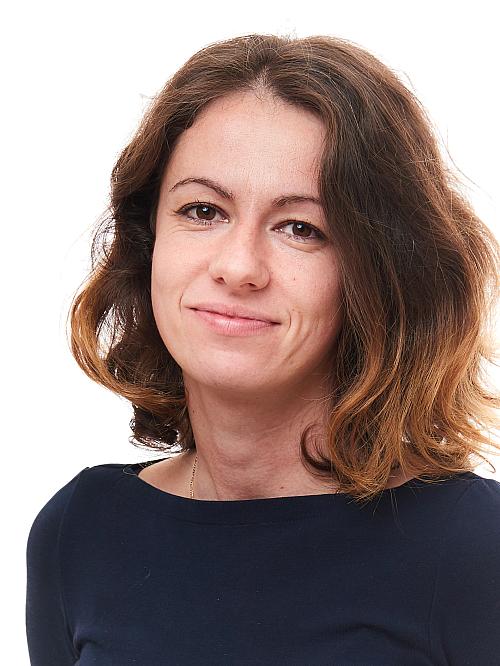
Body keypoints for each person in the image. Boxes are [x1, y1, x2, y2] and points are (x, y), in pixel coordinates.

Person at [25, 33, 500, 665]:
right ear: (147, 240)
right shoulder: (79, 533)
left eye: (301, 228)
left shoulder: (473, 547)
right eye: (203, 211)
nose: (239, 266)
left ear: (378, 275)